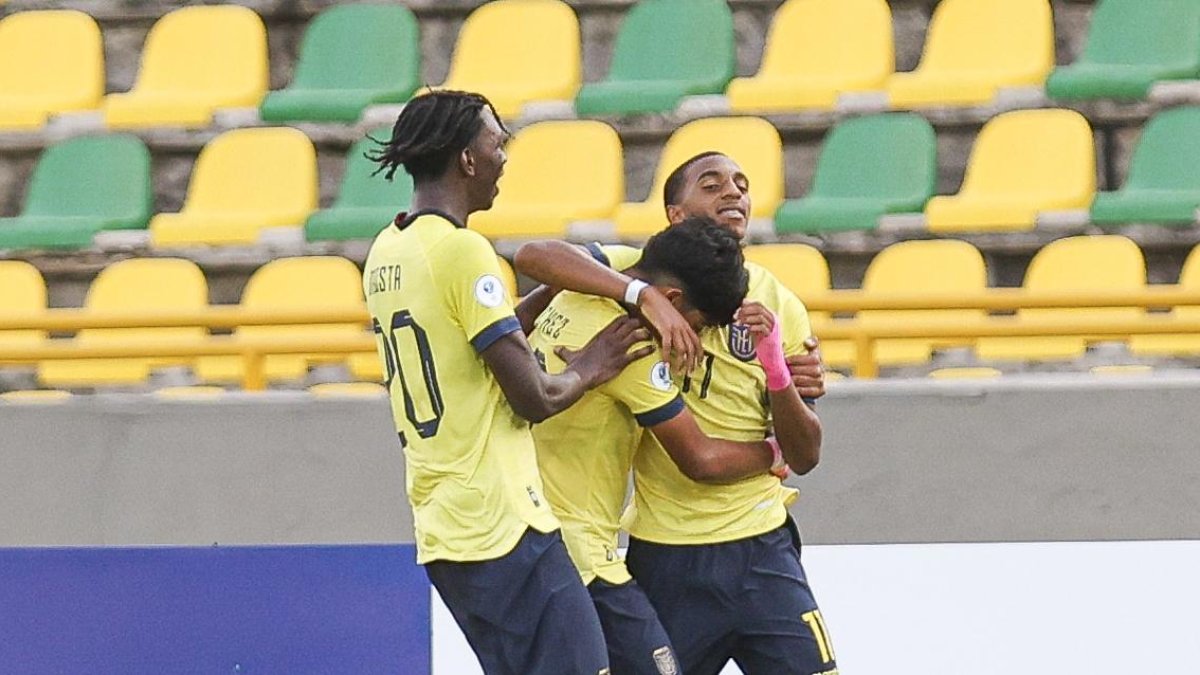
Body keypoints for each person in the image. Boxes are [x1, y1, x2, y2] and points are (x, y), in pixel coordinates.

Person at [362, 89, 653, 675]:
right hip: (503, 521)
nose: (504, 158)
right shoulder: (463, 250)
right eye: (497, 143)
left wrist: (554, 289)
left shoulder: (388, 248)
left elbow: (471, 345)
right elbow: (536, 397)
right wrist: (594, 363)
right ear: (467, 159)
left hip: (446, 525)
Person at [514, 151, 836, 674]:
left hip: (762, 547)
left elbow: (808, 452)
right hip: (666, 551)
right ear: (676, 215)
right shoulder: (626, 280)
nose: (732, 193)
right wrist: (643, 297)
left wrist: (778, 372)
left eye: (741, 183)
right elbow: (534, 256)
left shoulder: (780, 304)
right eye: (711, 185)